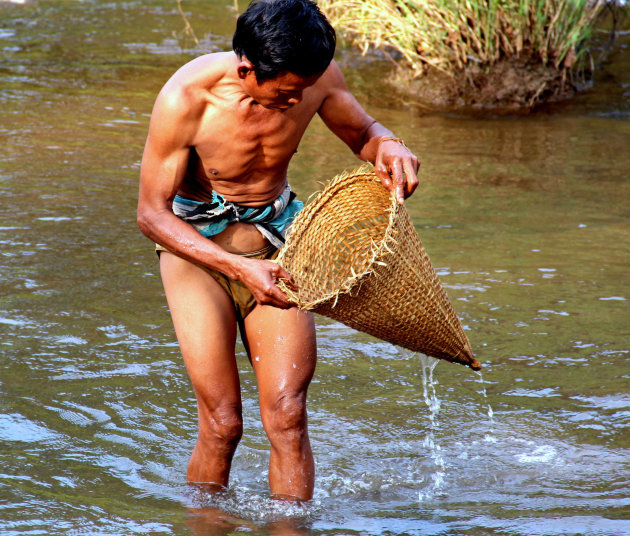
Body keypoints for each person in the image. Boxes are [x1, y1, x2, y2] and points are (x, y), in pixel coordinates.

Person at [137, 0, 419, 502]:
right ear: (246, 69)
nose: (297, 102)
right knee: (223, 423)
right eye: (285, 94)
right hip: (198, 256)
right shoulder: (186, 98)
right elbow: (151, 215)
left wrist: (388, 143)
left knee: (288, 415)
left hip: (276, 243)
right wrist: (239, 269)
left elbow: (363, 133)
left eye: (303, 91)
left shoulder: (314, 76)